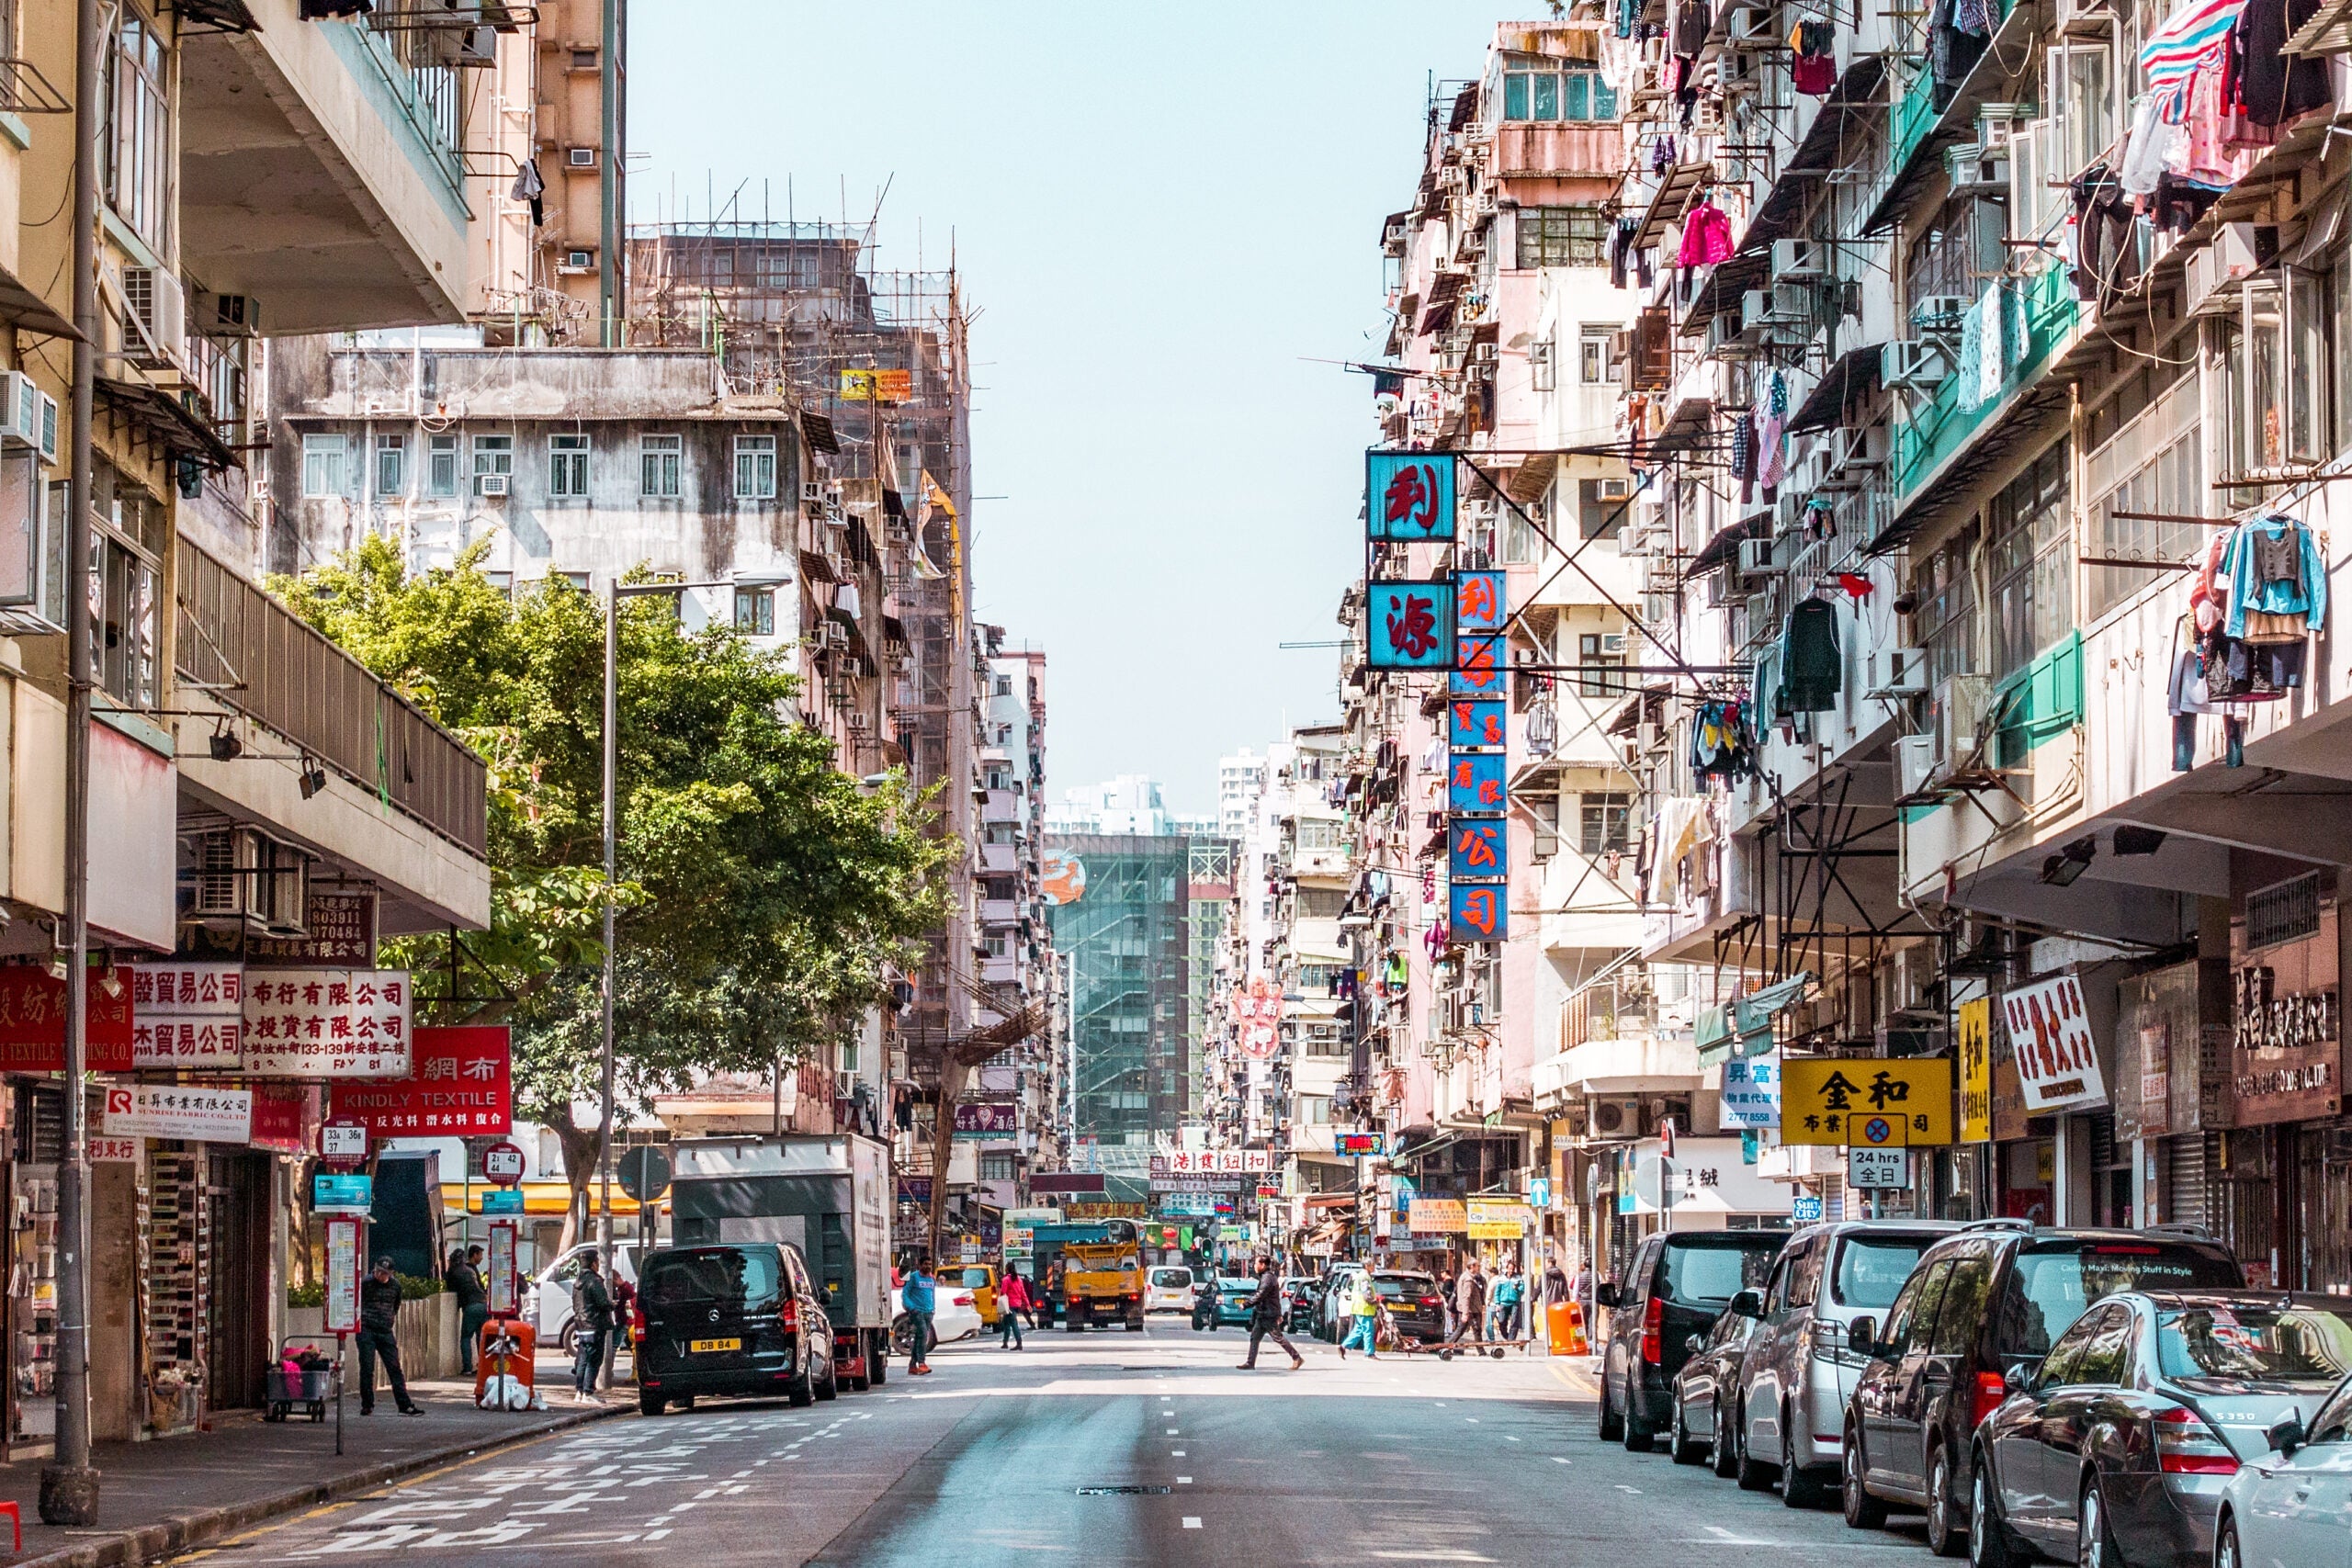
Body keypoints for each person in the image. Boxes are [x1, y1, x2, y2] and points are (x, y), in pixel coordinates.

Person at [356, 1257, 422, 1416]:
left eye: (385, 1273)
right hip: (367, 1329)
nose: (381, 1275)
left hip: (385, 1330)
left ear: (391, 1274)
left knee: (394, 1368)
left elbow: (396, 1305)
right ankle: (367, 1404)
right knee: (367, 1367)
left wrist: (388, 1319)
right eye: (379, 1271)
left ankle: (404, 1405)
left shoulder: (395, 1286)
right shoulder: (365, 1283)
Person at [1238, 1255, 1303, 1371]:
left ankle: (1297, 1357)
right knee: (1254, 1337)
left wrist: (1246, 1304)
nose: (1255, 1266)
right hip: (1263, 1313)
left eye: (1256, 1263)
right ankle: (1250, 1362)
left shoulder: (1267, 1278)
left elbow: (1261, 1295)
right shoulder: (1266, 1277)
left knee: (1278, 1337)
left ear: (1263, 1265)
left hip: (1268, 1314)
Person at [571, 1252, 614, 1403]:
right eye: (597, 1261)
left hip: (581, 1325)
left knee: (582, 1359)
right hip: (594, 1324)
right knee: (594, 1360)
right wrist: (612, 1304)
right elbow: (602, 1302)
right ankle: (588, 1392)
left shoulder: (578, 1282)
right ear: (593, 1263)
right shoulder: (594, 1281)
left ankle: (579, 1391)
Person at [445, 1246, 489, 1375]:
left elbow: (451, 1289)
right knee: (482, 1337)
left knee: (466, 1337)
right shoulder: (470, 1270)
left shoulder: (453, 1272)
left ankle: (468, 1368)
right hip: (484, 1304)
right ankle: (483, 1367)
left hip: (471, 1306)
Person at [902, 1255, 937, 1375]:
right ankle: (922, 1363)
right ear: (920, 1265)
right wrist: (911, 1308)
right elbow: (905, 1294)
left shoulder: (932, 1279)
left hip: (928, 1312)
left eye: (929, 1264)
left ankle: (912, 1365)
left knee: (919, 1337)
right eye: (925, 1264)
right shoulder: (914, 1278)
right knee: (923, 1334)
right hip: (917, 1312)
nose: (928, 1266)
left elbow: (932, 1295)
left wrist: (933, 1308)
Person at [1339, 1275, 1381, 1359]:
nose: (1373, 1267)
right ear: (1367, 1265)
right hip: (1364, 1309)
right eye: (1372, 1265)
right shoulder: (1364, 1277)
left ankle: (1343, 1346)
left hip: (1360, 1309)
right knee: (1368, 1330)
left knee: (1358, 1330)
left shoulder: (1361, 1276)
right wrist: (1373, 1301)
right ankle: (1369, 1353)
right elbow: (1366, 1293)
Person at [1451, 1258, 1488, 1348]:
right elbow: (1466, 1296)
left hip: (1471, 1309)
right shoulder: (1468, 1279)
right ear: (1472, 1266)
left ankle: (1480, 1350)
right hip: (1471, 1309)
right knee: (1474, 1329)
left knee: (1466, 1329)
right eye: (1477, 1266)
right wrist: (1465, 1313)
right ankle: (1448, 1345)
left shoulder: (1468, 1277)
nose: (1478, 1268)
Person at [1489, 1258, 1525, 1346]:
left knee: (1514, 1322)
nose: (1511, 1270)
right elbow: (1497, 1292)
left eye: (1513, 1269)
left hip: (1514, 1303)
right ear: (1506, 1268)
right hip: (1503, 1303)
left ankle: (1511, 1340)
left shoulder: (1518, 1278)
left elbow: (1522, 1289)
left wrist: (1517, 1288)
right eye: (1509, 1268)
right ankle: (1507, 1337)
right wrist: (1497, 1303)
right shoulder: (1501, 1278)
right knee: (1501, 1321)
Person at [998, 1269, 1027, 1349]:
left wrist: (1000, 1299)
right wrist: (1027, 1303)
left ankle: (1019, 1343)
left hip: (1009, 1305)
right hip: (1017, 1304)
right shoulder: (1019, 1279)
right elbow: (1023, 1292)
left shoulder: (1006, 1279)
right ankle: (1005, 1343)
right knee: (1006, 1323)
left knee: (1014, 1324)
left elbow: (1003, 1292)